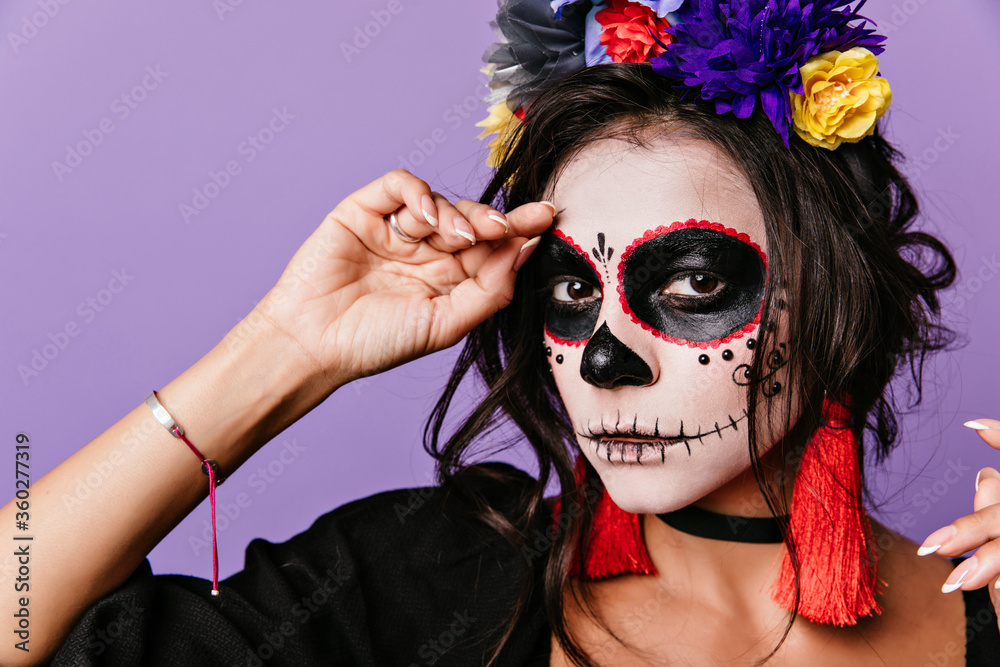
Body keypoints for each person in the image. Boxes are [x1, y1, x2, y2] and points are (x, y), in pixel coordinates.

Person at [7, 0, 999, 665]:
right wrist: (284, 351)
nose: (603, 360)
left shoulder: (983, 618)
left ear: (839, 297)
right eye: (571, 288)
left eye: (693, 278)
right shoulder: (434, 571)